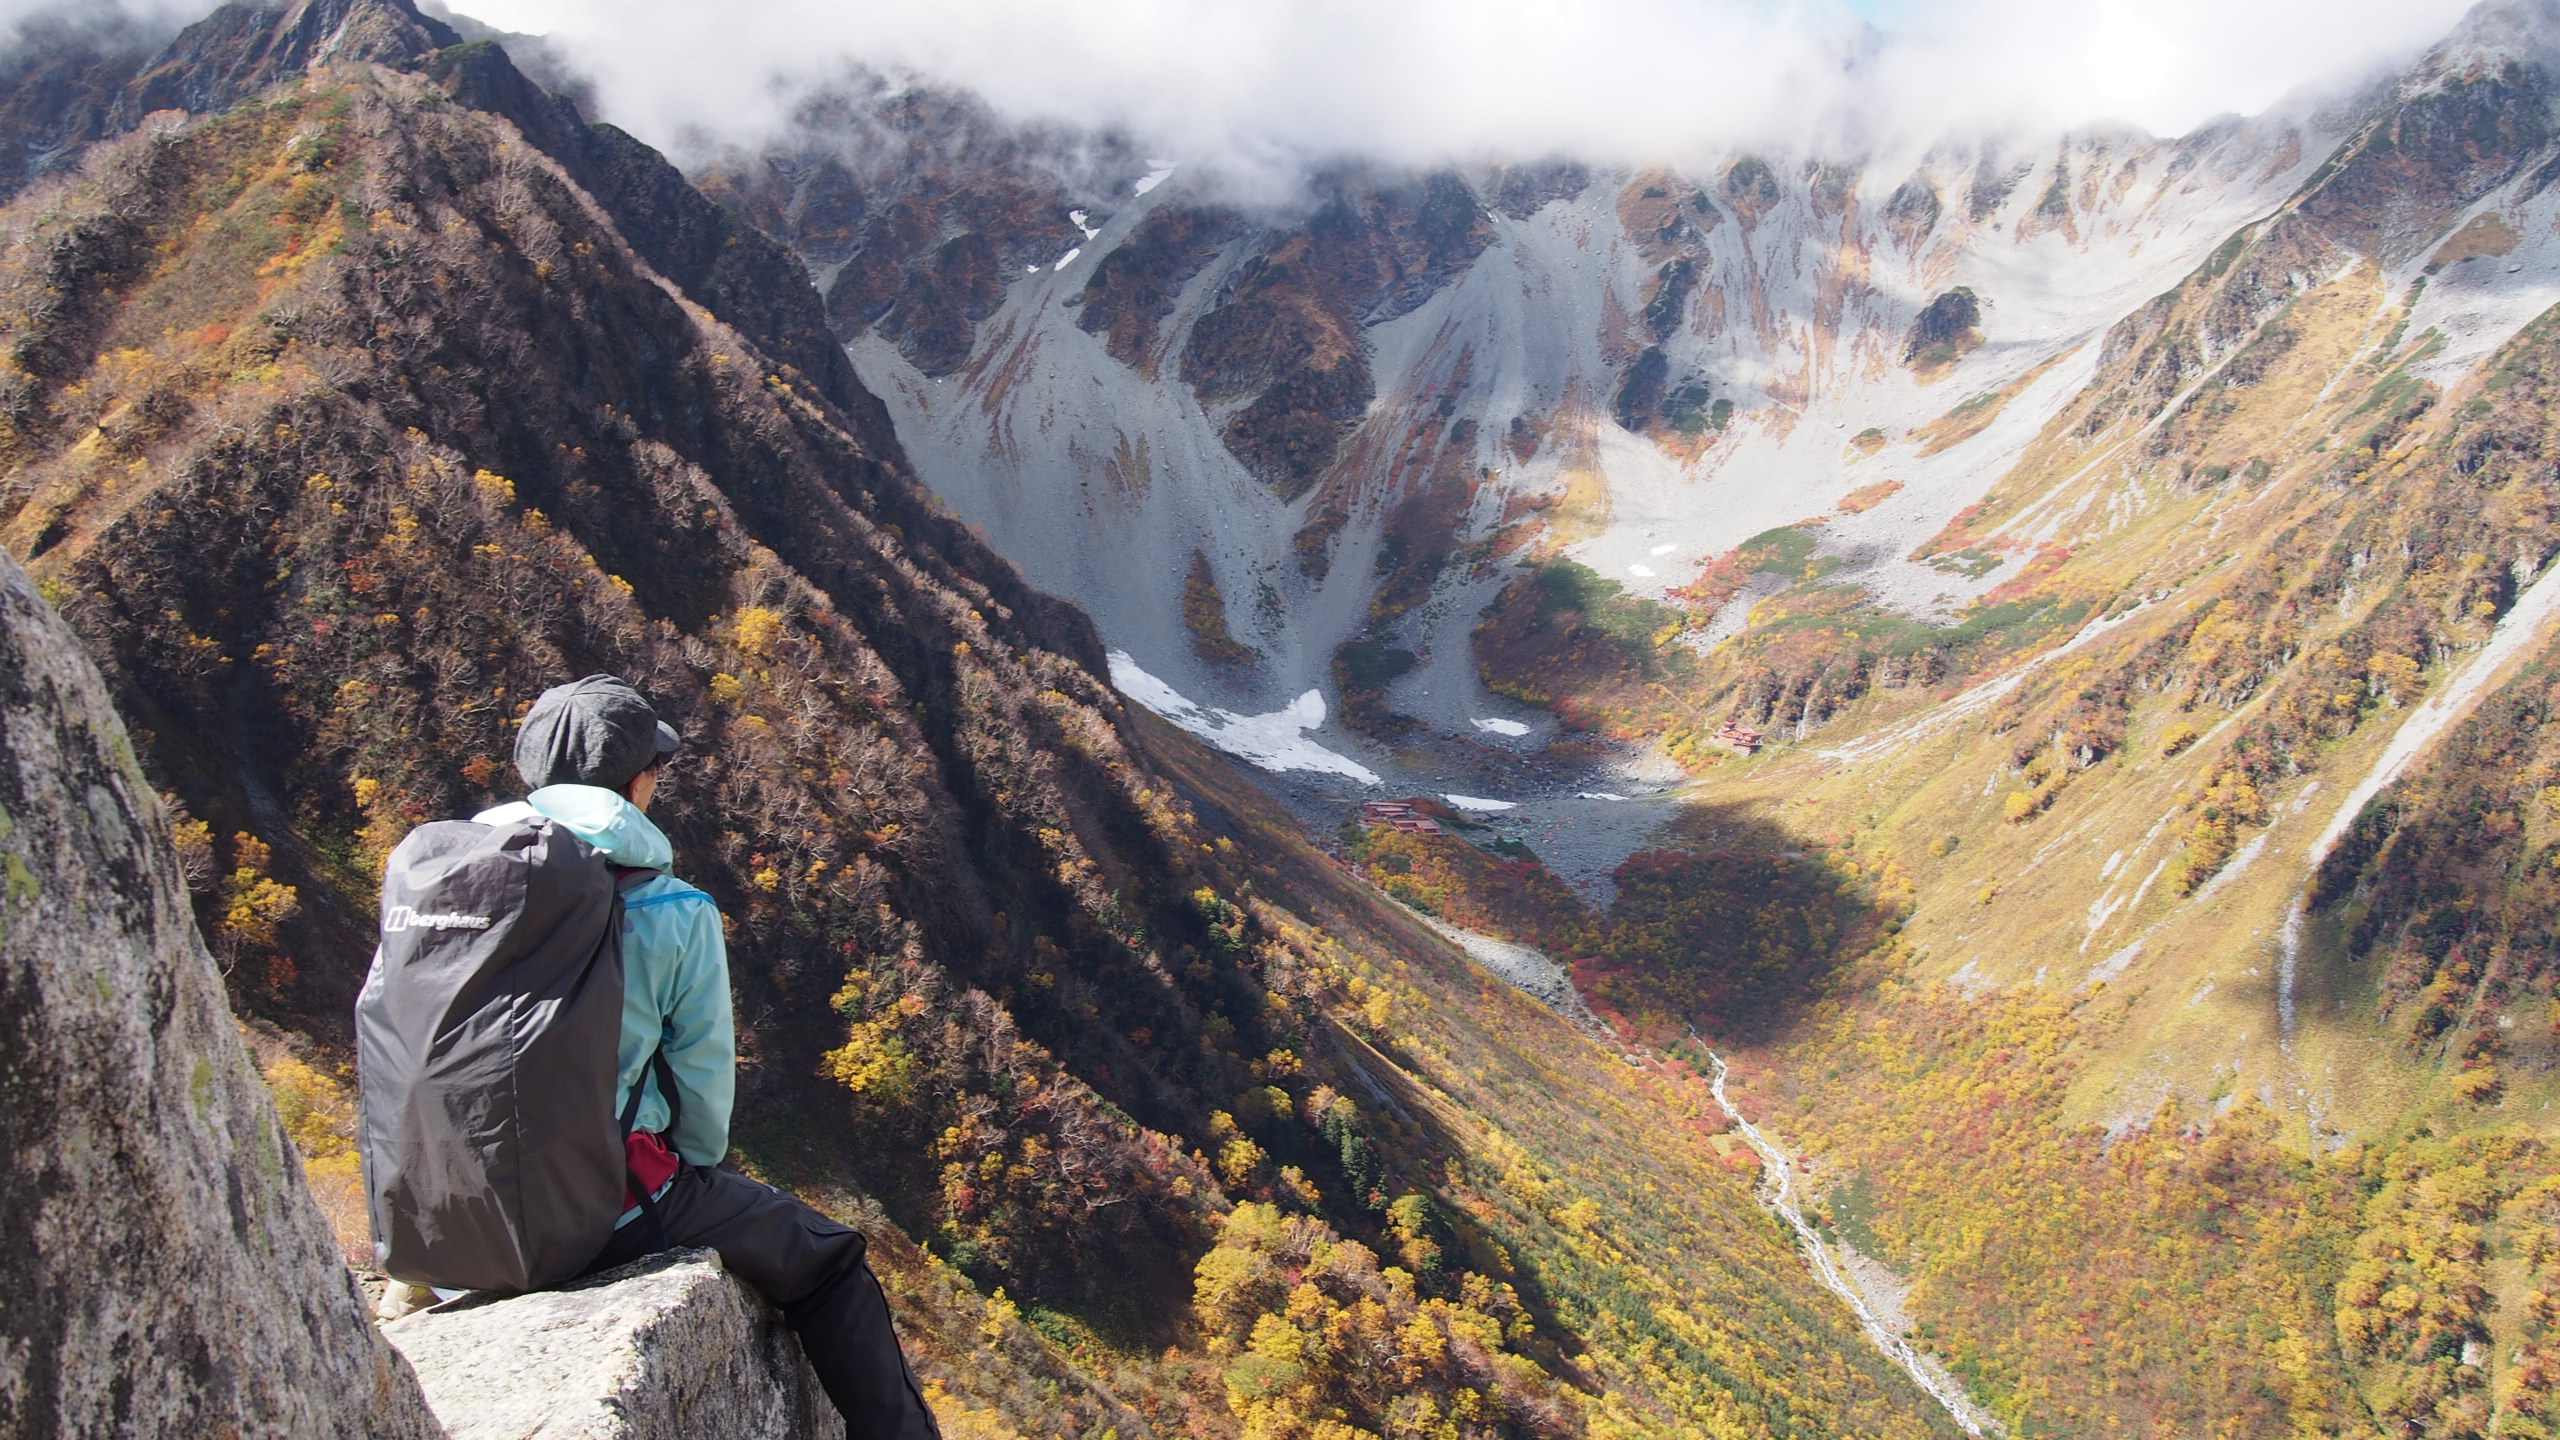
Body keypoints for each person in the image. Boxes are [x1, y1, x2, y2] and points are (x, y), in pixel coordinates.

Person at [481, 674, 941, 1440]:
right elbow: (700, 1112)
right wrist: (691, 1171)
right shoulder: (668, 908)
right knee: (831, 1263)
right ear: (634, 785)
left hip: (447, 1211)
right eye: (654, 769)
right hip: (594, 1208)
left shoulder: (452, 882)